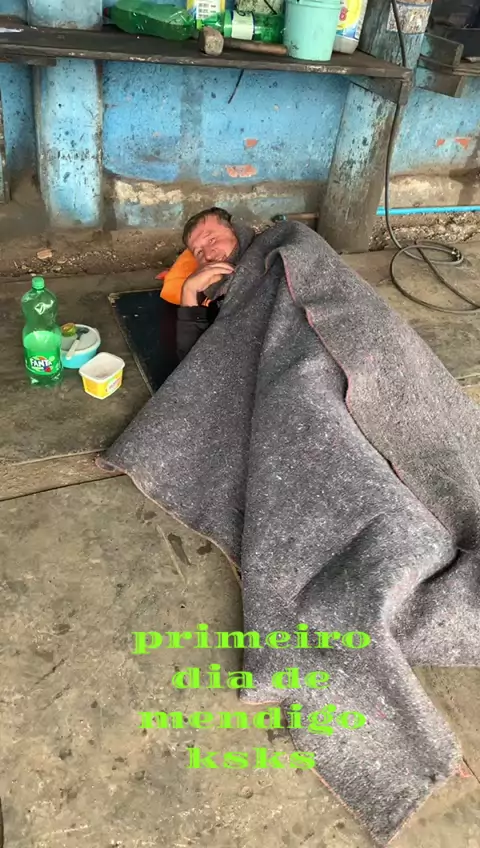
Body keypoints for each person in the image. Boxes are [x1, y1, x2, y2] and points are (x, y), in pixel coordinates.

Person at [161, 207, 251, 362]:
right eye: (199, 252)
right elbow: (194, 364)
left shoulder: (270, 255)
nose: (208, 255)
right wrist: (189, 290)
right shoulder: (211, 299)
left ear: (235, 231)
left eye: (212, 240)